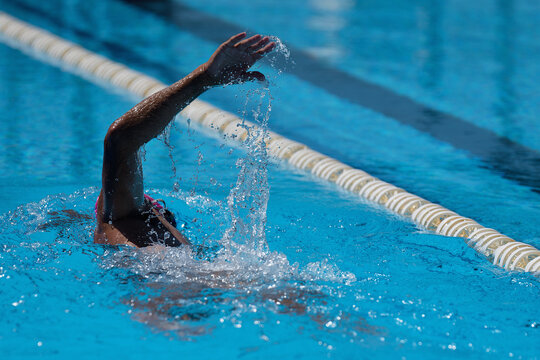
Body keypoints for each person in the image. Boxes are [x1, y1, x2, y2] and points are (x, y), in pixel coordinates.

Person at [94, 33, 275, 248]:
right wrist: (204, 77)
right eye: (153, 205)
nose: (161, 209)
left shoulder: (132, 233)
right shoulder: (119, 218)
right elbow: (119, 137)